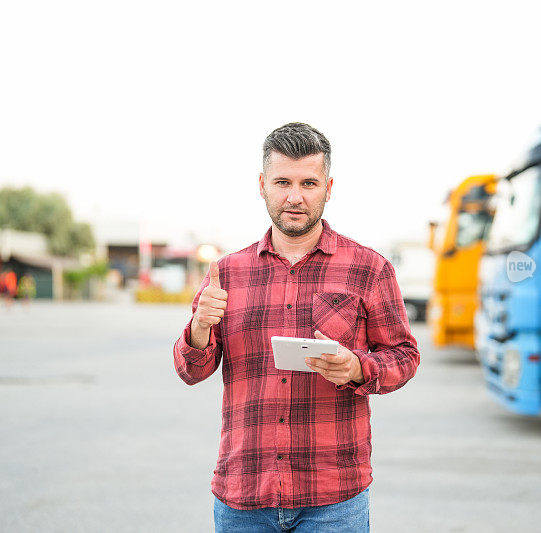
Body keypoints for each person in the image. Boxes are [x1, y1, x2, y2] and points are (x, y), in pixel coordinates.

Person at [173, 122, 420, 532]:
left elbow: (405, 357)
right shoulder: (227, 274)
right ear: (262, 184)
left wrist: (358, 368)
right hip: (244, 495)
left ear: (328, 186)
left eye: (309, 182)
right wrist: (199, 327)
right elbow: (190, 371)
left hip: (334, 498)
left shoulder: (368, 268)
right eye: (282, 181)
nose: (295, 196)